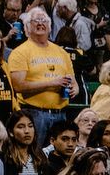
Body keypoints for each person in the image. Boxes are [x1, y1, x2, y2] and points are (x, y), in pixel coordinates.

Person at [8, 9, 76, 143]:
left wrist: (75, 88)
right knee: (35, 154)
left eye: (44, 20)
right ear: (27, 27)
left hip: (61, 113)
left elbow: (72, 80)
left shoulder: (61, 52)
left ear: (50, 27)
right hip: (34, 114)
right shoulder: (20, 52)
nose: (40, 24)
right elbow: (18, 86)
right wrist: (52, 83)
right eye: (35, 21)